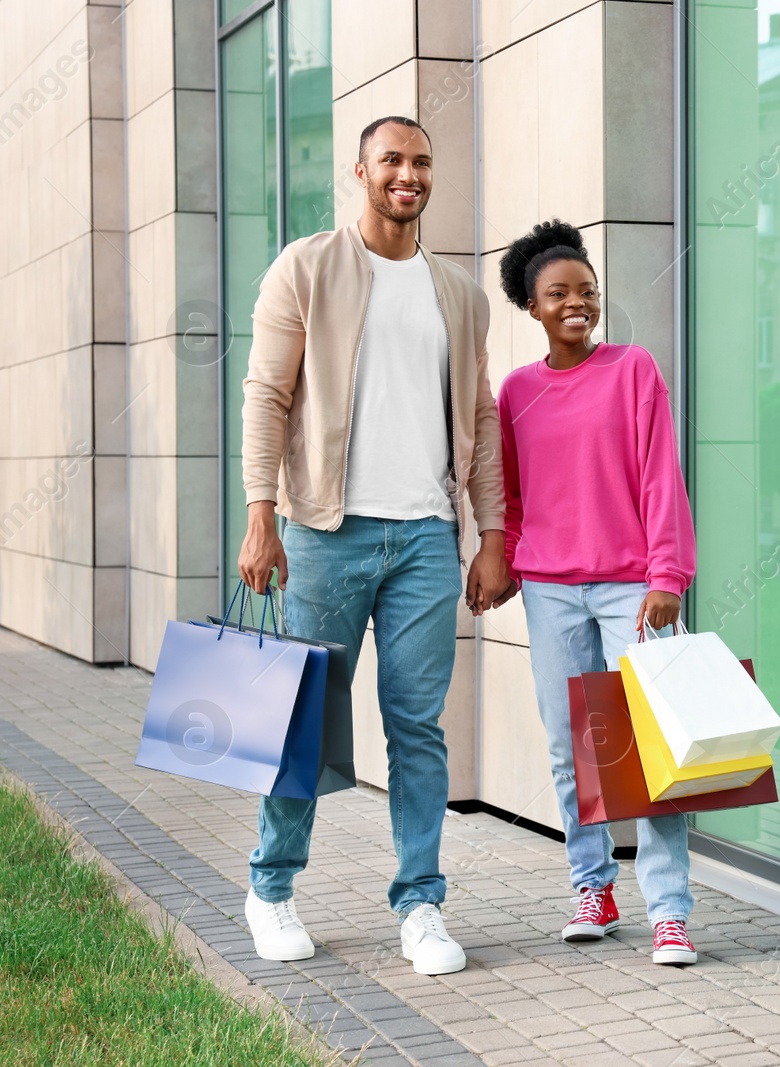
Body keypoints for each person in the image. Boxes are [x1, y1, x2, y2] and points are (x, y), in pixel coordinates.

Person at [236, 116, 508, 975]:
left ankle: (421, 904)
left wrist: (492, 532)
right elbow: (268, 394)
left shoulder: (459, 294)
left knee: (417, 727)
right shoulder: (307, 267)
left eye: (422, 161)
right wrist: (261, 514)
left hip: (427, 536)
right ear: (361, 171)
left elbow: (482, 417)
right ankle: (270, 886)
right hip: (325, 532)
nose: (408, 174)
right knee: (303, 720)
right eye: (392, 159)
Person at [490, 220, 699, 966]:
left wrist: (666, 575)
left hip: (632, 590)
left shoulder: (633, 368)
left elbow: (659, 476)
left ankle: (670, 910)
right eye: (559, 293)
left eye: (587, 291)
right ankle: (593, 886)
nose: (577, 302)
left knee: (652, 745)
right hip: (550, 591)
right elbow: (510, 499)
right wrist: (505, 564)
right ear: (532, 306)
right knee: (572, 744)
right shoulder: (514, 391)